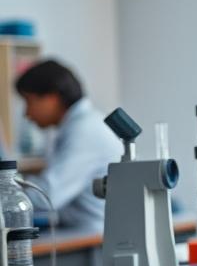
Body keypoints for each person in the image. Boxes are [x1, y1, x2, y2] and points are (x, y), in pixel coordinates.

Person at [13, 60, 121, 229]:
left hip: (92, 238)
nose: (27, 113)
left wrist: (7, 194)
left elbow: (47, 196)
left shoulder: (84, 130)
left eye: (29, 101)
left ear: (52, 98)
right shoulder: (83, 123)